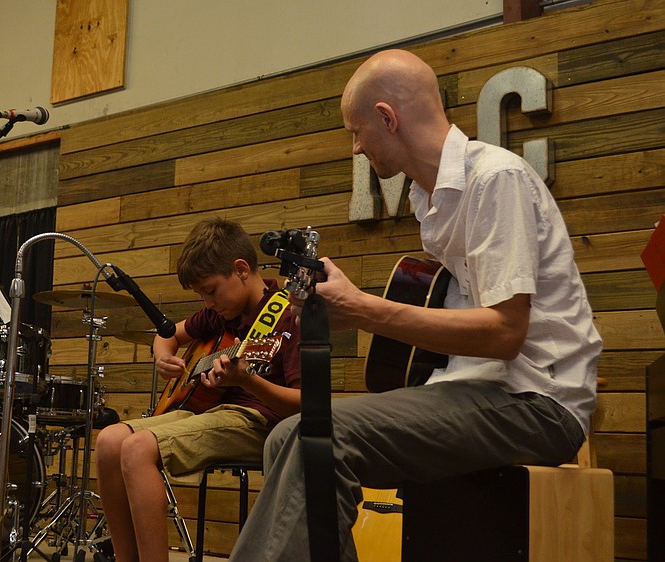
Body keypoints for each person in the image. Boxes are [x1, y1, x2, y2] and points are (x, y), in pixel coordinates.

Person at [229, 49, 602, 561]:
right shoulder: (429, 201)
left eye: (356, 131)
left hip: (537, 401)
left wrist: (360, 308)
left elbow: (504, 333)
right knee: (286, 439)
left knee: (323, 439)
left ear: (388, 117)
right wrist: (345, 299)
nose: (357, 148)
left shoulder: (495, 179)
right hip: (474, 389)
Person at [95, 217, 302, 562]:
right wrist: (164, 359)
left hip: (260, 421)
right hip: (211, 413)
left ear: (240, 270)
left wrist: (249, 380)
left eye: (210, 290)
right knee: (108, 442)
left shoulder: (289, 316)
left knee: (137, 448)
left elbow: (304, 405)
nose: (206, 302)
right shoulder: (221, 314)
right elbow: (167, 336)